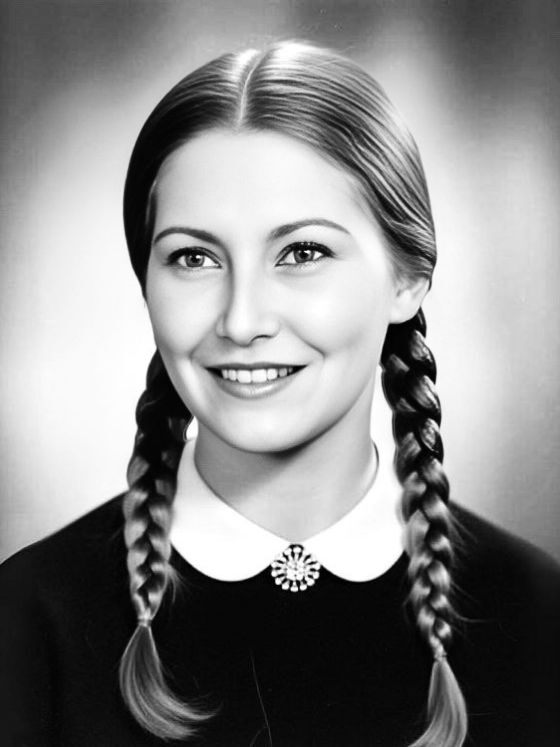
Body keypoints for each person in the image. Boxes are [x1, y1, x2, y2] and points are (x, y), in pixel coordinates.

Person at [1, 40, 559, 747]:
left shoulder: (538, 616)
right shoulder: (27, 620)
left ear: (408, 278)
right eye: (193, 258)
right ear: (146, 282)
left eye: (302, 253)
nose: (241, 321)